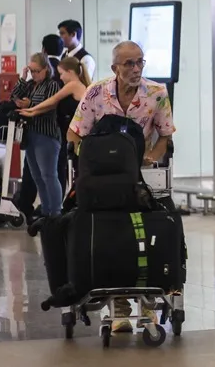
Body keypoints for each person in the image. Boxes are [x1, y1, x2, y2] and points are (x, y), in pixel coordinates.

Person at [67, 40, 174, 333]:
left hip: (140, 179)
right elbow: (76, 135)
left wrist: (151, 157)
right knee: (111, 238)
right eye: (129, 63)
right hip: (104, 180)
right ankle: (120, 306)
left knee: (154, 232)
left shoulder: (157, 93)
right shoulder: (96, 93)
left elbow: (165, 135)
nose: (136, 68)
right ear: (115, 67)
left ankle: (149, 304)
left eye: (140, 62)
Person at [19, 56, 91, 189]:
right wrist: (33, 112)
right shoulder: (79, 85)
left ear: (70, 72)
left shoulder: (73, 85)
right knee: (65, 169)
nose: (61, 77)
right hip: (69, 135)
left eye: (62, 74)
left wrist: (32, 110)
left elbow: (53, 100)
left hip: (74, 136)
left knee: (69, 170)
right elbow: (52, 105)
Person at [11, 53, 63, 218]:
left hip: (46, 134)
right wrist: (22, 77)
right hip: (30, 134)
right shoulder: (30, 84)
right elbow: (14, 96)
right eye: (31, 71)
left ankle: (55, 212)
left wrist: (31, 105)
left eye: (37, 71)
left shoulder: (52, 85)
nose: (34, 74)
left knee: (49, 175)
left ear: (46, 69)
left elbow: (50, 105)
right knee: (37, 176)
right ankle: (46, 211)